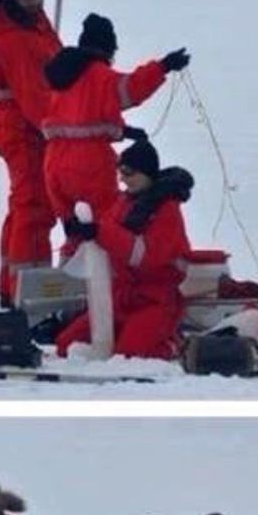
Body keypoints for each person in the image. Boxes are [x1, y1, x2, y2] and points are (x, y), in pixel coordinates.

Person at [42, 13, 190, 241]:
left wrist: (124, 132)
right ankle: (105, 275)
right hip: (89, 164)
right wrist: (163, 66)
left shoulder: (60, 79)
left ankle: (69, 271)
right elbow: (132, 88)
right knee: (104, 226)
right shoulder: (100, 75)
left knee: (73, 229)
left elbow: (80, 119)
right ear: (107, 47)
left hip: (54, 162)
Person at [0, 0, 63, 306]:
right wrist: (66, 131)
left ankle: (10, 289)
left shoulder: (22, 14)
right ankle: (29, 296)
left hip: (20, 124)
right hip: (24, 127)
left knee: (23, 206)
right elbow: (36, 99)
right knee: (34, 207)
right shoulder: (13, 41)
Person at [55, 139, 193, 359]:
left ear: (145, 172)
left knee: (129, 356)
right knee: (66, 345)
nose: (122, 179)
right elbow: (104, 232)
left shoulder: (167, 210)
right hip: (121, 297)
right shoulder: (124, 203)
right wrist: (79, 233)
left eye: (128, 173)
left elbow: (144, 255)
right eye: (120, 172)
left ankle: (173, 345)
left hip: (154, 299)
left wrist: (98, 232)